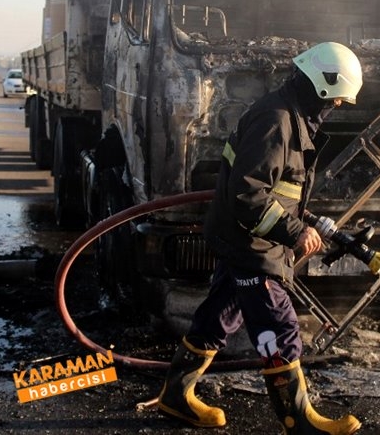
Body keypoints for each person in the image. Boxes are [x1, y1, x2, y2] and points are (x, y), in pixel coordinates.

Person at [156, 42, 364, 434]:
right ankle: (298, 420)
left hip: (248, 239)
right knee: (277, 322)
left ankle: (175, 396)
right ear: (321, 86)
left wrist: (302, 222)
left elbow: (278, 188)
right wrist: (294, 231)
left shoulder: (291, 115)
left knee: (220, 314)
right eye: (336, 100)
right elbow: (247, 194)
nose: (337, 107)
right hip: (250, 243)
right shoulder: (277, 120)